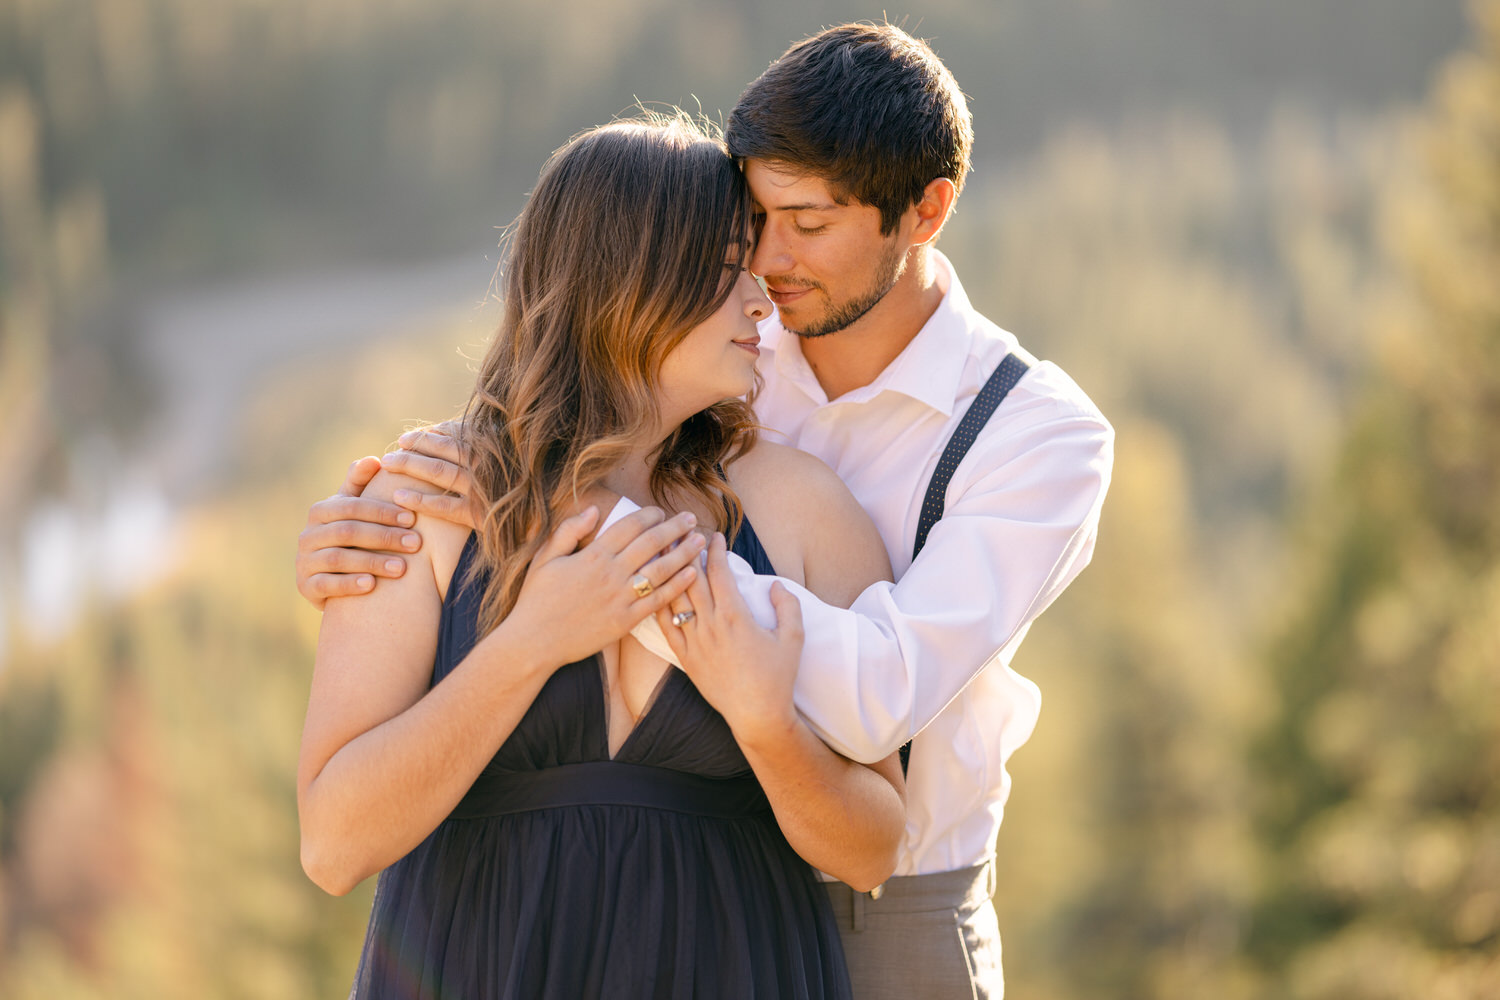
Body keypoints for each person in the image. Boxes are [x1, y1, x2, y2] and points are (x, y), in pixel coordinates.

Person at [298, 24, 1114, 1000]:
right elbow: (334, 838)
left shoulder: (1002, 445)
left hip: (828, 932)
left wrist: (690, 635)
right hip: (485, 955)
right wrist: (508, 605)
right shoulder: (448, 492)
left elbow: (881, 738)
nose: (766, 279)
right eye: (740, 246)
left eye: (805, 227)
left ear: (924, 213)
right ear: (632, 285)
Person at [297, 113, 908, 999]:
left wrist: (766, 724)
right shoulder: (425, 499)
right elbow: (332, 844)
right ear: (629, 277)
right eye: (729, 267)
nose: (762, 299)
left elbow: (875, 850)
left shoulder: (806, 510)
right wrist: (532, 640)